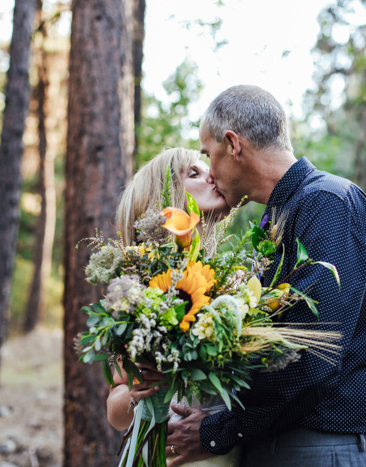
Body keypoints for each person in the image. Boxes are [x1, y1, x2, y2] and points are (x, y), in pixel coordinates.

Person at [164, 85, 366, 467]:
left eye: (209, 154)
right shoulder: (285, 214)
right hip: (281, 444)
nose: (210, 173)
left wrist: (221, 430)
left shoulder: (327, 204)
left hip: (320, 446)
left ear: (234, 144)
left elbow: (311, 355)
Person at [105, 147, 240, 467]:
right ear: (163, 198)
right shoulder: (142, 292)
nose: (212, 175)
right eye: (193, 173)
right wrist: (140, 389)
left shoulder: (236, 282)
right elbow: (115, 409)